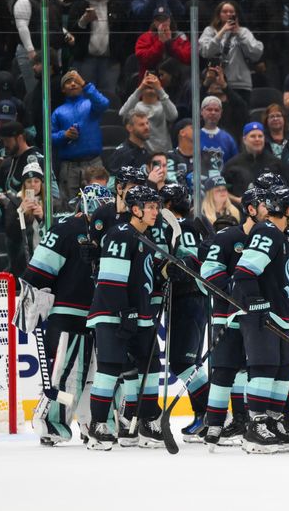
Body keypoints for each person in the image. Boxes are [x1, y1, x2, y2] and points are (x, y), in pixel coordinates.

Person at [21, 184, 113, 444]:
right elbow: (36, 273)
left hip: (100, 316)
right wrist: (33, 305)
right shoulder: (65, 230)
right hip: (69, 316)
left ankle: (90, 423)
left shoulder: (111, 234)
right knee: (70, 377)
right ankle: (50, 422)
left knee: (93, 377)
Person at [85, 185, 164, 450]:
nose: (155, 211)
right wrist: (123, 311)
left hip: (138, 314)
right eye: (150, 207)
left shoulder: (145, 238)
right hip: (112, 313)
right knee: (109, 366)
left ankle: (146, 421)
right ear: (135, 210)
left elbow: (143, 278)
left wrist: (167, 274)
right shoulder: (120, 234)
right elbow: (110, 279)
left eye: (157, 206)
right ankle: (97, 425)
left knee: (151, 364)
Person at [231, 185, 289, 454]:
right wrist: (255, 302)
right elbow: (245, 272)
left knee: (283, 366)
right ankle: (255, 426)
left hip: (278, 312)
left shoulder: (285, 237)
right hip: (262, 312)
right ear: (288, 209)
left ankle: (272, 421)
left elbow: (285, 276)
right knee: (264, 366)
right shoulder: (268, 232)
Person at [201, 187, 268, 449]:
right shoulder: (228, 237)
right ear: (251, 209)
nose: (270, 209)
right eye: (265, 204)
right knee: (224, 371)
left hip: (259, 318)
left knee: (256, 371)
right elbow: (208, 273)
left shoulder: (273, 237)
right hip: (227, 317)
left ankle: (249, 421)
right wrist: (234, 291)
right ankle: (215, 424)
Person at [158, 183, 209, 443]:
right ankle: (208, 414)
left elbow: (185, 259)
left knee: (182, 361)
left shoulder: (175, 226)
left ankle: (209, 414)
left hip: (185, 297)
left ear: (167, 205)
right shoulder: (197, 225)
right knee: (189, 361)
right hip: (199, 298)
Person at [50, 70, 110, 209]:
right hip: (69, 166)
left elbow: (104, 103)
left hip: (94, 162)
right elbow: (49, 138)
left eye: (76, 81)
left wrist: (85, 84)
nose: (72, 83)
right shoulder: (58, 112)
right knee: (70, 204)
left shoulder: (91, 104)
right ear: (62, 89)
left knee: (99, 202)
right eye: (68, 81)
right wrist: (64, 135)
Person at [68, 0, 130, 94]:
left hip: (110, 60)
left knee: (108, 97)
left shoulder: (115, 4)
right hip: (86, 60)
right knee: (87, 96)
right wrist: (83, 21)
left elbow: (124, 30)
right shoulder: (79, 4)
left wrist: (120, 50)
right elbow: (71, 29)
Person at [199, 1, 264, 105]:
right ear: (219, 15)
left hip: (240, 84)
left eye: (231, 12)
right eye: (225, 11)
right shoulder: (210, 31)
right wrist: (222, 31)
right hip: (215, 85)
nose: (228, 14)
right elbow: (206, 52)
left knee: (240, 114)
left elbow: (256, 53)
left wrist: (238, 33)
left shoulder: (244, 32)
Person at [12, 0, 66, 95]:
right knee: (35, 92)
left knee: (54, 92)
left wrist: (66, 34)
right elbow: (22, 27)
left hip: (53, 52)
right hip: (33, 52)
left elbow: (55, 24)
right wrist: (30, 50)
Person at [0, 161, 45, 277]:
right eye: (29, 181)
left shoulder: (50, 203)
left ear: (41, 183)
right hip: (22, 258)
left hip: (45, 255)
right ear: (24, 184)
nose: (33, 184)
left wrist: (42, 218)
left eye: (36, 181)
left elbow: (57, 229)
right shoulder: (15, 203)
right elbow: (10, 234)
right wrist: (20, 213)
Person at [222, 122, 288, 199]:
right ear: (244, 139)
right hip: (240, 209)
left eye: (260, 136)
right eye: (253, 136)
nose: (257, 139)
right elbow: (221, 190)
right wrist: (237, 200)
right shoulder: (232, 164)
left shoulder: (276, 163)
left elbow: (287, 188)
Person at [119, 70, 178, 153]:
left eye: (153, 84)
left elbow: (173, 116)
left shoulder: (164, 105)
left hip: (163, 152)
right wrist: (140, 88)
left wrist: (159, 89)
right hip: (141, 152)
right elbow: (122, 113)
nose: (150, 86)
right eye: (147, 84)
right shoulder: (135, 107)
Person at [135, 6, 192, 79]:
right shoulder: (145, 37)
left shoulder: (180, 37)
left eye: (164, 20)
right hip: (151, 78)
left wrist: (170, 43)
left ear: (170, 20)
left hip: (177, 78)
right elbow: (144, 60)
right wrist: (160, 42)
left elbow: (188, 58)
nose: (162, 23)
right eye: (158, 20)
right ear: (154, 22)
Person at [199, 95, 238, 178]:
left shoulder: (228, 139)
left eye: (216, 110)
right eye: (209, 109)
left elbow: (235, 164)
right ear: (202, 111)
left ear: (221, 113)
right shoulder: (194, 136)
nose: (213, 113)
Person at [106, 110, 151, 174]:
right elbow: (115, 181)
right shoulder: (122, 154)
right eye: (141, 125)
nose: (147, 127)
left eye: (147, 123)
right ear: (130, 128)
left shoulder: (145, 150)